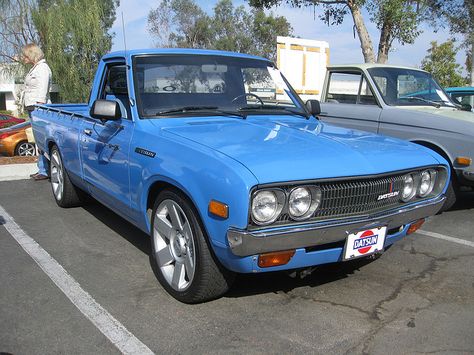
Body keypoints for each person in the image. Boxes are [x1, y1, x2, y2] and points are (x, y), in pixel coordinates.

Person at [21, 43, 52, 181]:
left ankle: (45, 170)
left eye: (25, 55)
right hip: (32, 108)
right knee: (38, 140)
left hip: (38, 109)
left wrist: (39, 110)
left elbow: (42, 91)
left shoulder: (43, 69)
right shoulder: (36, 68)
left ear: (32, 54)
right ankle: (42, 168)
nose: (23, 58)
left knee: (42, 140)